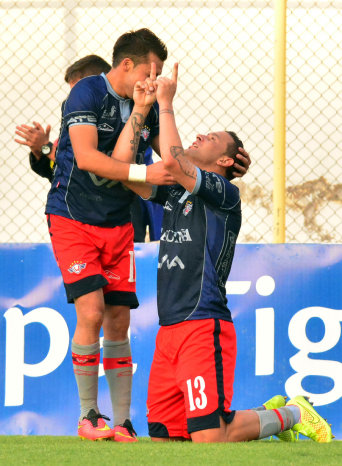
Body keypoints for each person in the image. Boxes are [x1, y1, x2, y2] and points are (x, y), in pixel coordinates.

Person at [112, 63, 332, 443]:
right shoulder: (174, 191)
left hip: (202, 323)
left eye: (211, 138)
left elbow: (175, 162)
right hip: (169, 330)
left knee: (211, 437)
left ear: (226, 161)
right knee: (166, 439)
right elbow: (120, 169)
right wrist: (142, 107)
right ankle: (266, 412)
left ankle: (292, 413)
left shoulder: (223, 193)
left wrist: (165, 102)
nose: (200, 135)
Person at [43, 28, 178, 442]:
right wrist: (144, 174)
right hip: (73, 217)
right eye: (150, 71)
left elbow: (172, 161)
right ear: (126, 66)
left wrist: (168, 107)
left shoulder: (150, 103)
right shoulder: (86, 92)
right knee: (92, 312)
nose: (154, 80)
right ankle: (88, 416)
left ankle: (122, 422)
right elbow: (86, 159)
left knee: (119, 320)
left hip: (118, 224)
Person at [14, 55, 112, 181]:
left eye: (79, 93)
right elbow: (55, 173)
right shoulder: (74, 124)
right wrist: (38, 150)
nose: (73, 100)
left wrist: (46, 147)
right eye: (72, 94)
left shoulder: (118, 123)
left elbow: (88, 169)